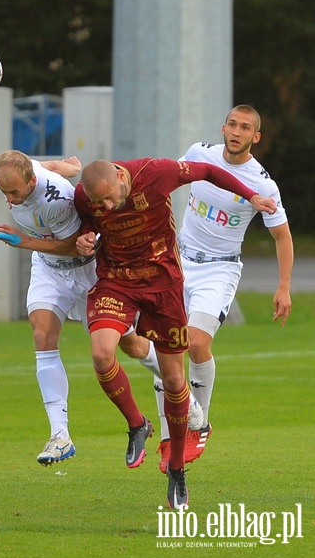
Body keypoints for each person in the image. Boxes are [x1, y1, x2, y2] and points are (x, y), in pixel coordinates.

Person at [74, 157, 277, 509]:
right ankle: (137, 424)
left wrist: (250, 197)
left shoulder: (155, 172)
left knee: (173, 381)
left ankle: (178, 470)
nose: (105, 206)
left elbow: (208, 171)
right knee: (101, 352)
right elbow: (82, 228)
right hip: (116, 282)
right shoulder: (84, 197)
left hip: (164, 286)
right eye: (99, 203)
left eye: (109, 198)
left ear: (121, 176)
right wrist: (83, 239)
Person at [0, 150, 195, 468]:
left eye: (13, 191)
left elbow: (73, 245)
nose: (9, 198)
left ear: (31, 182)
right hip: (48, 268)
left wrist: (25, 241)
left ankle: (183, 394)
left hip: (85, 268)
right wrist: (70, 166)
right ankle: (60, 436)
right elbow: (49, 165)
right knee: (42, 334)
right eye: (3, 191)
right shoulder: (26, 170)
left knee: (134, 345)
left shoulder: (56, 201)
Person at [153, 104, 294, 473]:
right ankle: (170, 436)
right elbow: (168, 181)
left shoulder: (262, 184)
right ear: (223, 127)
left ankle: (201, 423)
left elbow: (282, 236)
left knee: (197, 343)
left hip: (219, 270)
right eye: (232, 124)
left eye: (245, 127)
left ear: (255, 137)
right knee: (164, 347)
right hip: (178, 261)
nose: (236, 131)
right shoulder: (200, 155)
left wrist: (283, 286)